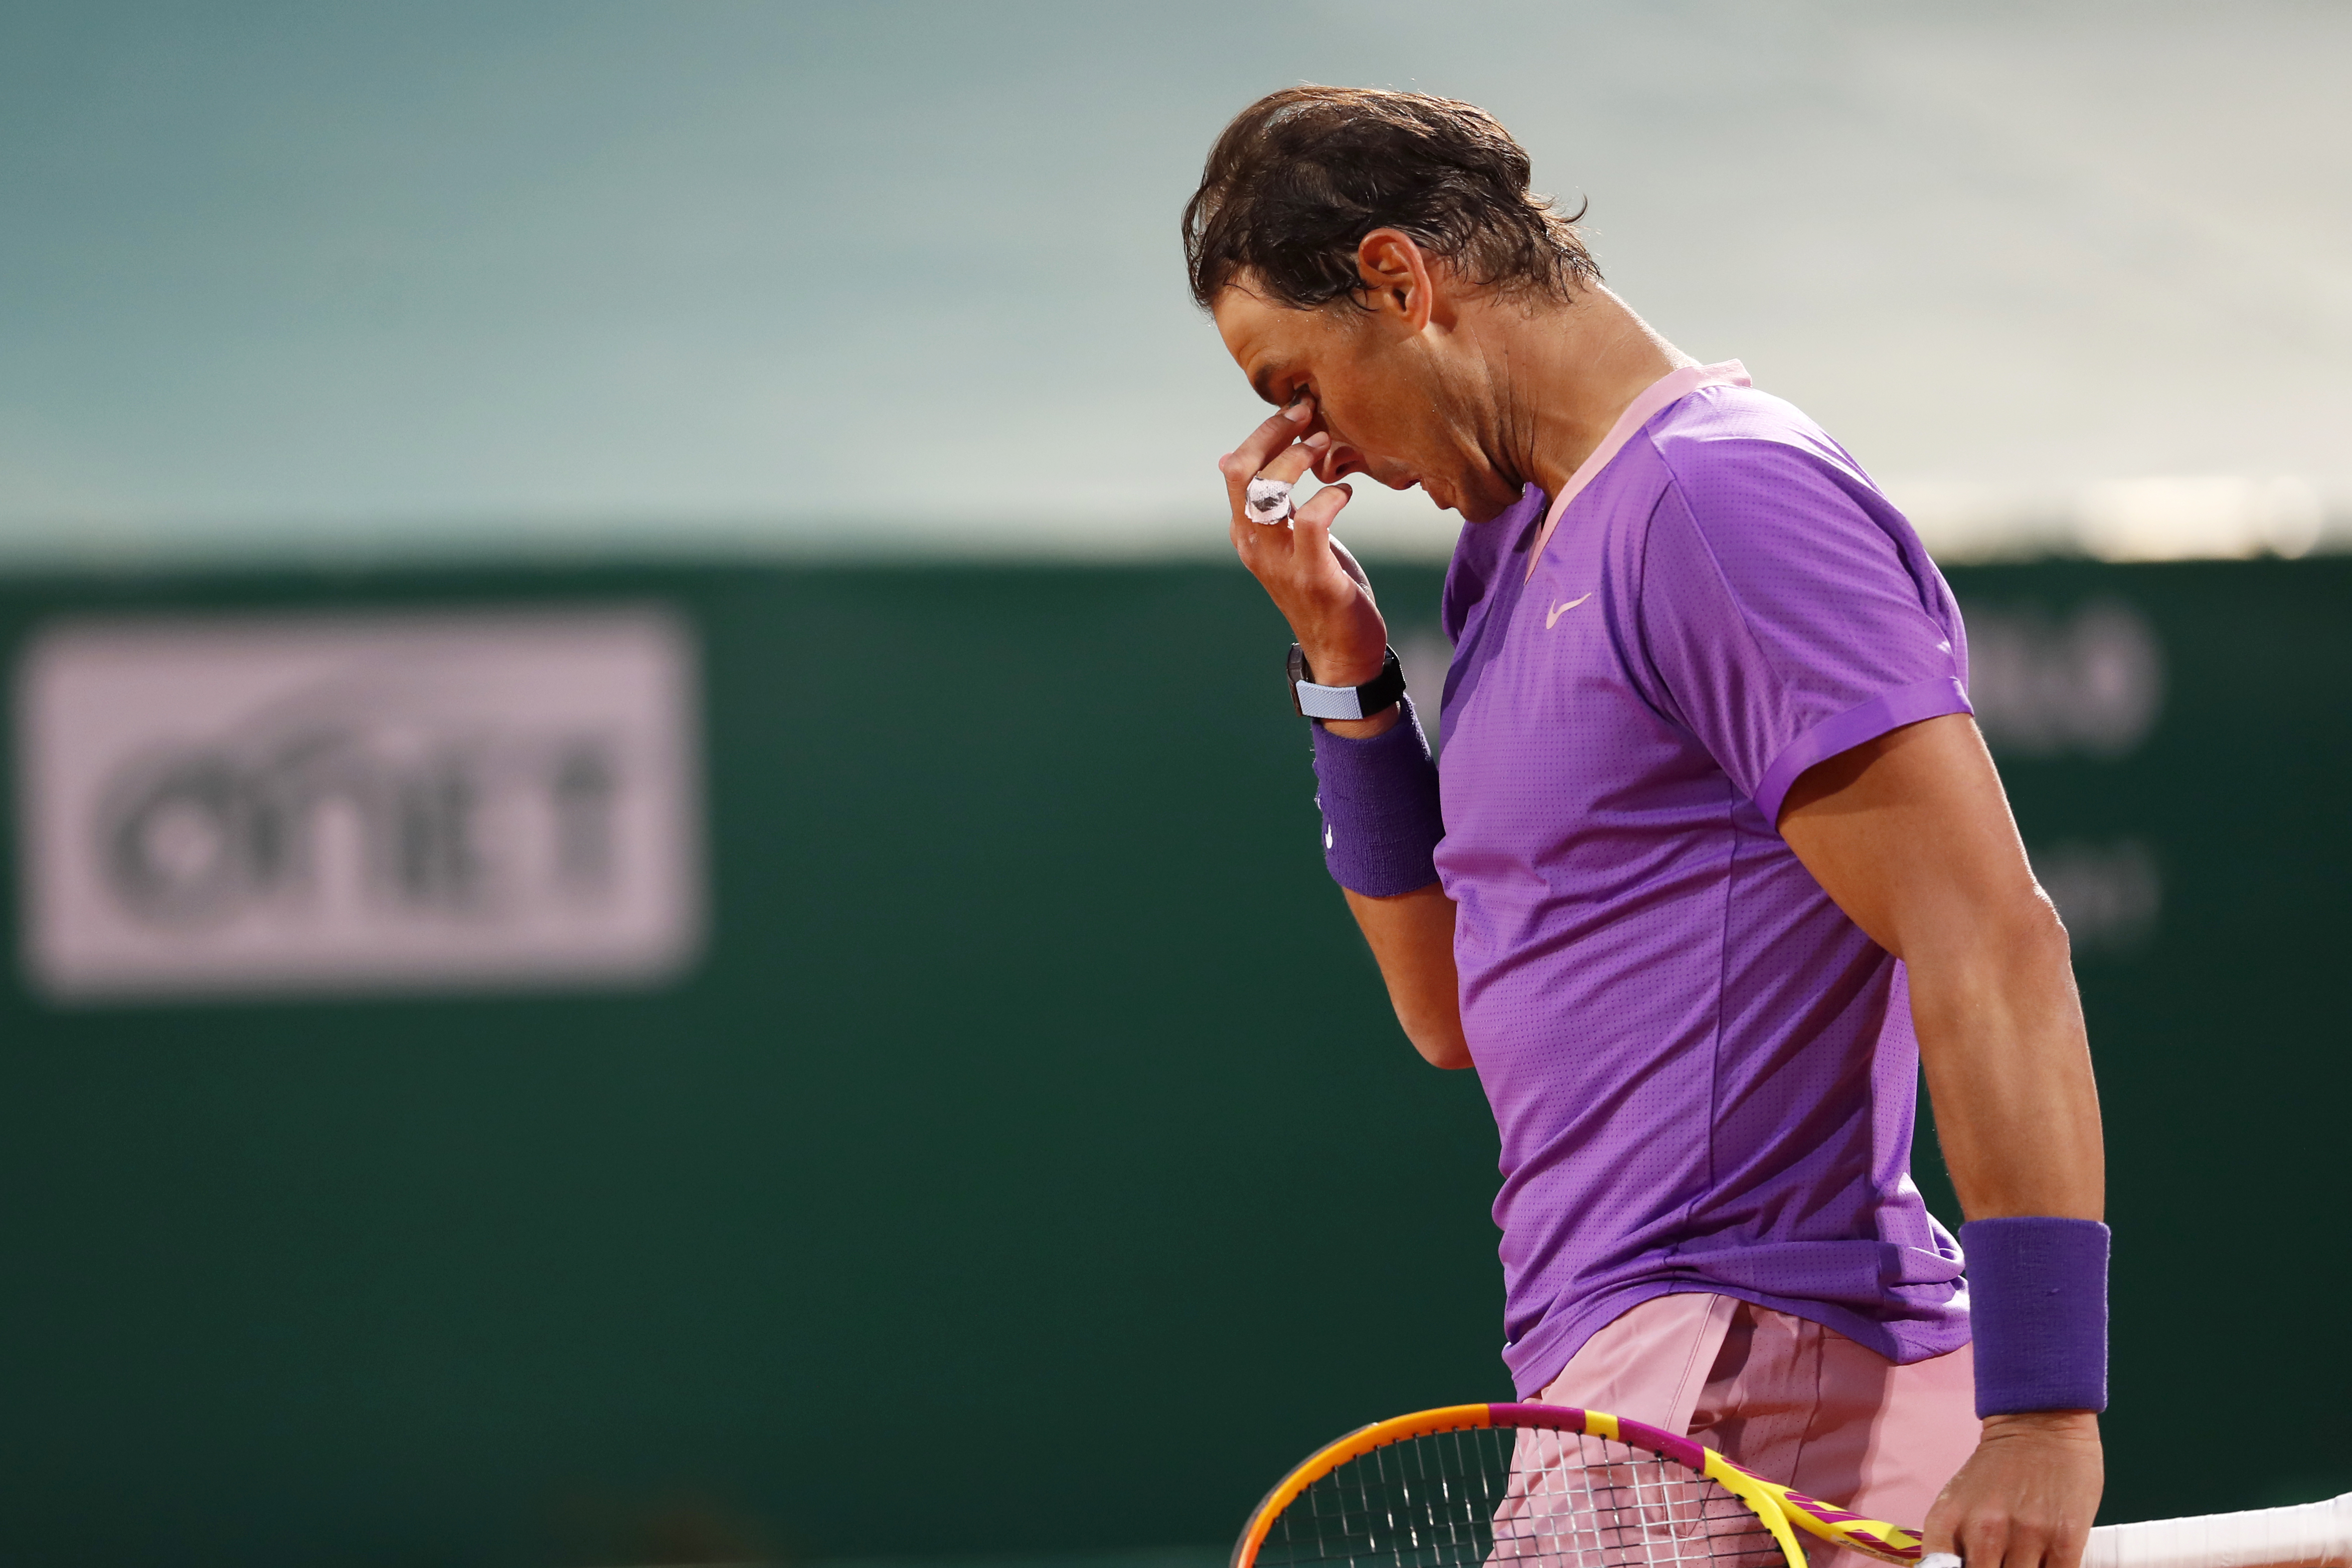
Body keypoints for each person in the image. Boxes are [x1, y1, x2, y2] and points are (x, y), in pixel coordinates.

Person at [1184, 87, 2107, 1568]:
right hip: (1645, 1376)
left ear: (1398, 283)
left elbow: (1986, 934)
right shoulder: (1511, 553)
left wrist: (2044, 1414)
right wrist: (1343, 667)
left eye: (1295, 379)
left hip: (1742, 1373)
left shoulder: (1718, 495)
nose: (1303, 441)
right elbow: (1446, 1009)